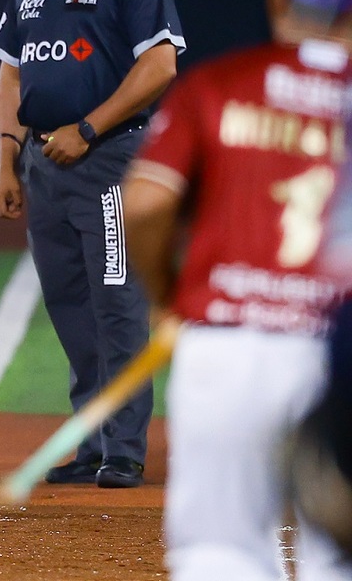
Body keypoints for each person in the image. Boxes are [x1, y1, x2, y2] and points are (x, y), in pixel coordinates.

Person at [121, 31, 352, 579]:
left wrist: (167, 298)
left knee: (219, 552)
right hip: (339, 348)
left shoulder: (221, 81)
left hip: (228, 338)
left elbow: (145, 205)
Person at [0, 0, 186, 489]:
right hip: (43, 163)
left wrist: (90, 129)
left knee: (117, 300)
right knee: (70, 302)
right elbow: (11, 74)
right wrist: (5, 164)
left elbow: (159, 66)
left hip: (109, 162)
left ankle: (124, 448)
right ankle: (93, 440)